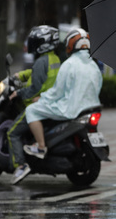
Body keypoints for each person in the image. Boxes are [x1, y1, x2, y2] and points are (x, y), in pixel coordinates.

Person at [23, 28, 103, 162]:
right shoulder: (93, 65)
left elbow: (56, 92)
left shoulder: (69, 64)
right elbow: (98, 87)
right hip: (92, 107)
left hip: (71, 109)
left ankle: (41, 147)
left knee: (31, 110)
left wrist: (40, 99)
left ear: (70, 45)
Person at [9, 25, 61, 184]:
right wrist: (20, 76)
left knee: (12, 133)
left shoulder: (41, 61)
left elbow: (35, 87)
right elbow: (37, 74)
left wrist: (18, 93)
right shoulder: (54, 59)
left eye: (36, 41)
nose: (32, 44)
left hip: (38, 103)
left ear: (44, 43)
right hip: (50, 101)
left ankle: (21, 165)